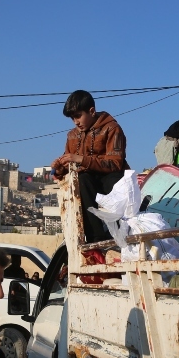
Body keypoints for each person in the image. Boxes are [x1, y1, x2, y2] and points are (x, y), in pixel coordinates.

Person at [51, 90, 130, 243]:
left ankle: (124, 230)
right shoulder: (72, 135)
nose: (75, 122)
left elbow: (115, 163)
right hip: (89, 183)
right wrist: (60, 168)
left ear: (91, 111)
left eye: (78, 116)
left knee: (113, 181)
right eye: (72, 118)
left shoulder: (112, 128)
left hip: (111, 179)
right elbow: (69, 166)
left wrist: (82, 159)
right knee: (82, 180)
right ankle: (95, 239)